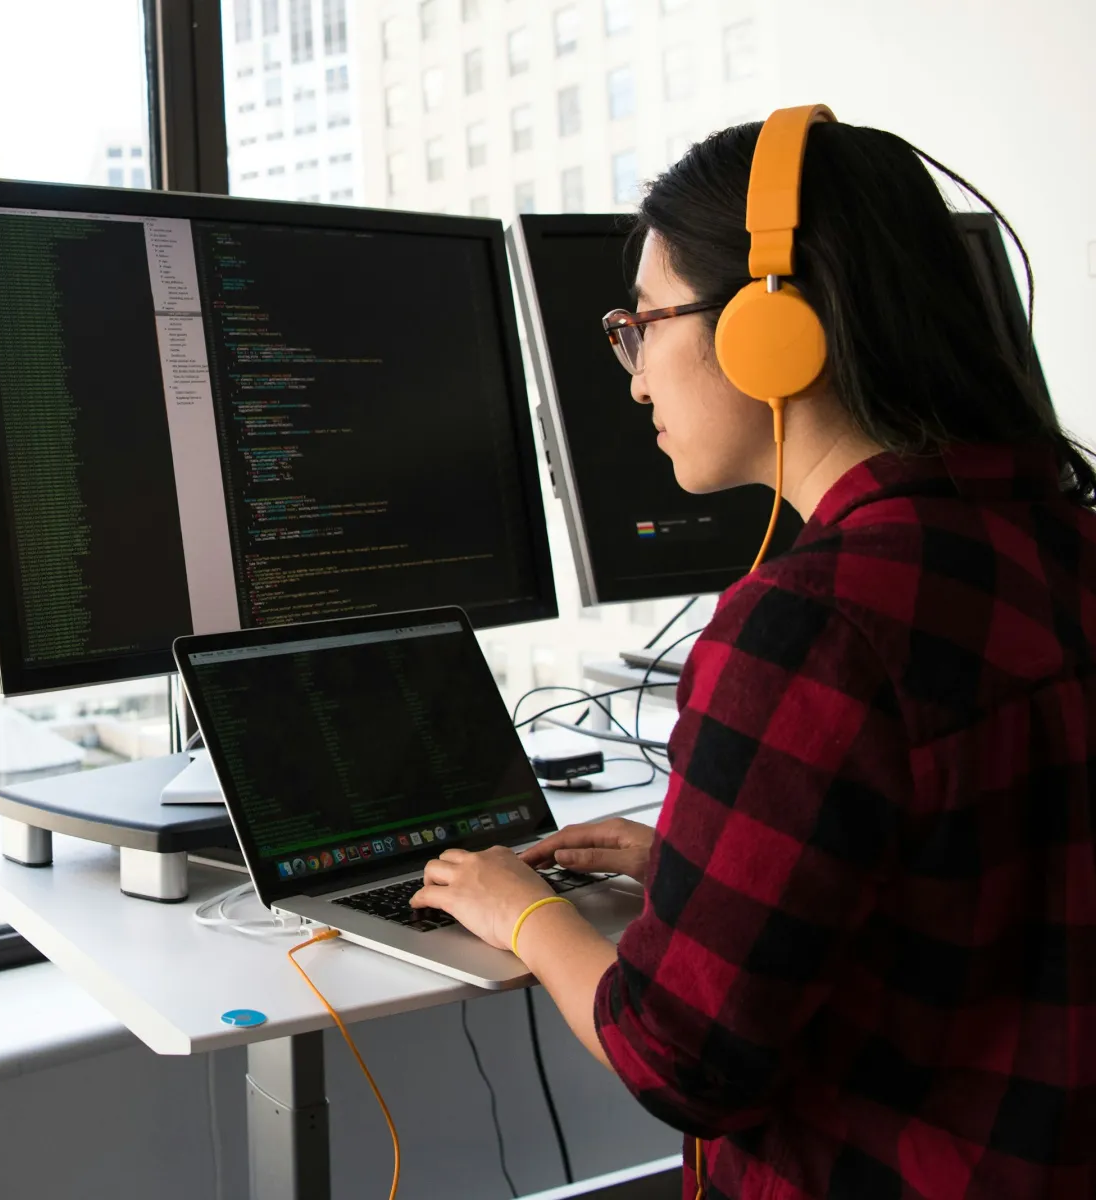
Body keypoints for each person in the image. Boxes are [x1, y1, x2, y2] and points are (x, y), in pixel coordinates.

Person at [411, 113, 1096, 1199]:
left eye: (642, 325)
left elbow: (681, 1059)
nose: (633, 379)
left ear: (769, 332)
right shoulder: (1063, 539)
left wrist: (520, 911)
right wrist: (697, 866)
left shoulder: (812, 626)